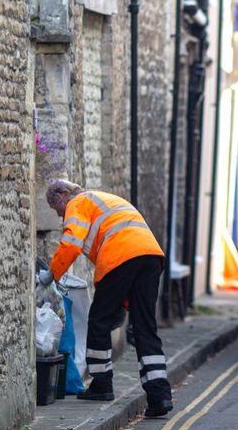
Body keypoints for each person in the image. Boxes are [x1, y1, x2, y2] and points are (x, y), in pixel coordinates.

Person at [41, 179, 173, 417]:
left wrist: (51, 273)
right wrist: (122, 307)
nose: (60, 215)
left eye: (56, 208)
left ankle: (101, 383)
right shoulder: (104, 200)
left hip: (121, 256)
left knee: (98, 320)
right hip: (151, 256)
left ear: (61, 196)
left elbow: (71, 242)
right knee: (145, 327)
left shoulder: (78, 203)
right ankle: (160, 395)